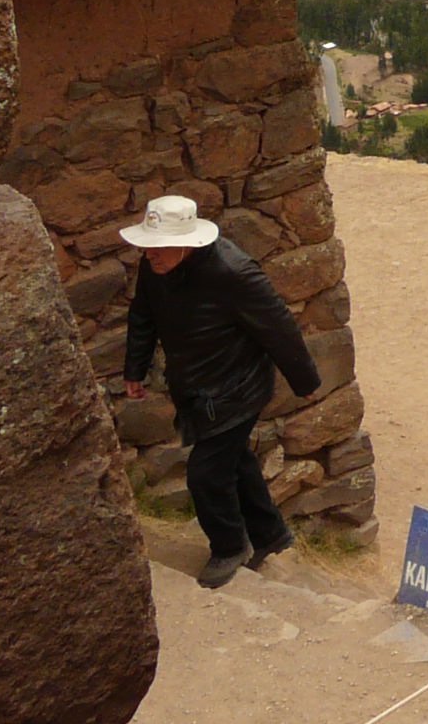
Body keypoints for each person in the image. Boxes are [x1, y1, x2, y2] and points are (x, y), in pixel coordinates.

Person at [121, 194, 322, 589]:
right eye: (148, 246)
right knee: (235, 462)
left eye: (157, 247)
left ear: (187, 242)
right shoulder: (155, 267)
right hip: (196, 388)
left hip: (238, 388)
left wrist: (306, 383)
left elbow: (278, 326)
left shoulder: (233, 271)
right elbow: (142, 316)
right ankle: (270, 535)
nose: (149, 255)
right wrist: (135, 369)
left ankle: (230, 547)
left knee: (205, 474)